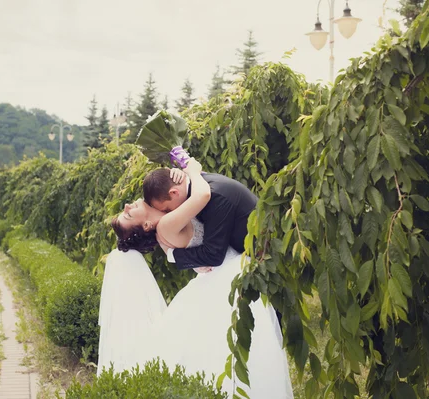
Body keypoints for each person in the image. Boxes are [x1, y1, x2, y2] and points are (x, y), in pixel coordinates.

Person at [99, 158, 293, 398]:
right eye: (127, 216)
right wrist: (191, 168)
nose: (127, 207)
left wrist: (178, 176)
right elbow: (201, 195)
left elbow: (185, 199)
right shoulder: (165, 225)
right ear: (146, 224)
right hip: (228, 270)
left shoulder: (171, 216)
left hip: (224, 270)